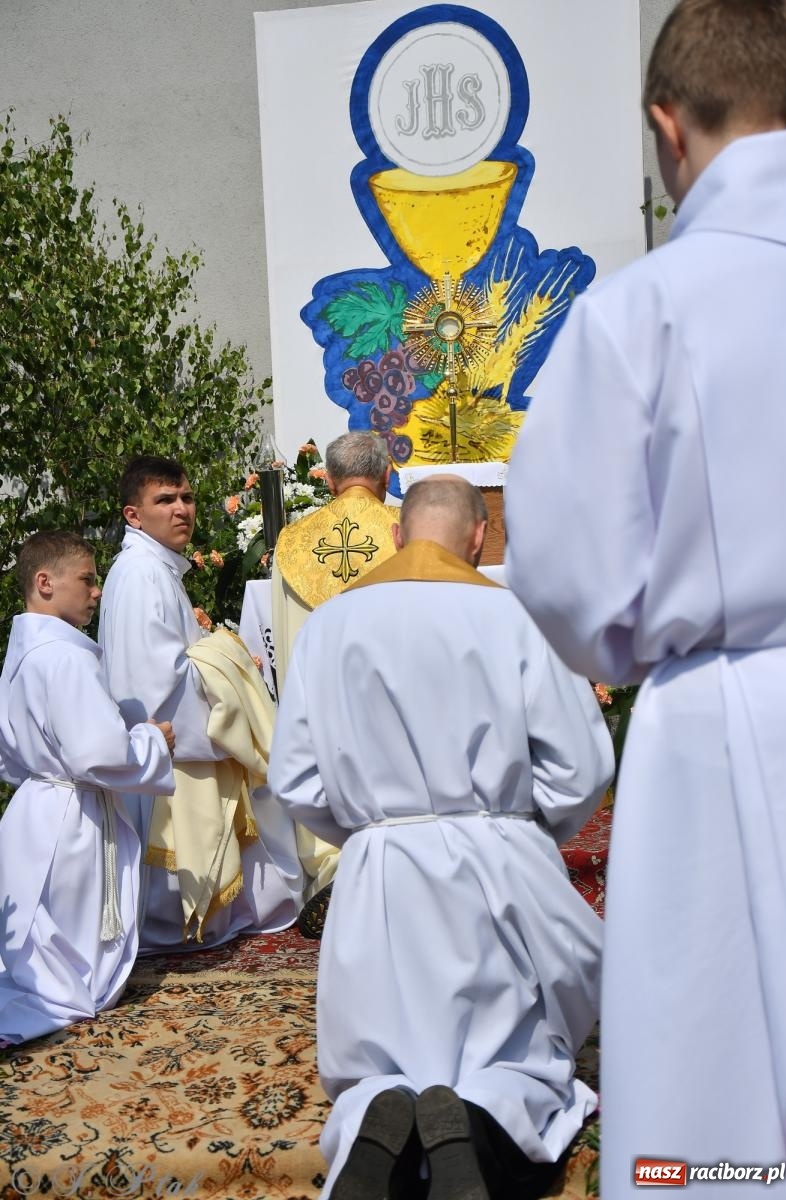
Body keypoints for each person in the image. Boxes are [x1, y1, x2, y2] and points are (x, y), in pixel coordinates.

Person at [504, 1, 786, 1193]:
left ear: (663, 129)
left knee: (716, 1119)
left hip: (717, 736)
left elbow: (572, 586)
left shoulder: (638, 312)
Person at [269, 475, 614, 1200]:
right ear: (481, 537)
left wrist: (371, 831)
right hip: (494, 862)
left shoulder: (333, 623)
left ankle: (374, 1120)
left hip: (380, 867)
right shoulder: (516, 617)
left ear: (397, 534)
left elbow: (296, 780)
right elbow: (581, 766)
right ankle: (482, 1119)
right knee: (512, 1046)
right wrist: (519, 828)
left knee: (381, 1046)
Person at [99, 455, 302, 952]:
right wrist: (226, 673)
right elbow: (155, 682)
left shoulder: (154, 569)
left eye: (186, 497)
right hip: (166, 750)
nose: (181, 509)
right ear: (133, 515)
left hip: (168, 746)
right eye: (164, 500)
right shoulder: (143, 574)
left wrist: (214, 656)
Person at [0, 532, 175, 1043]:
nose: (96, 592)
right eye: (87, 579)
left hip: (37, 802)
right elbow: (98, 755)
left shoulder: (26, 649)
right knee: (68, 961)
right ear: (44, 582)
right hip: (71, 814)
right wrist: (150, 740)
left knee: (41, 928)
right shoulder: (65, 656)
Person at [271, 432, 398, 936]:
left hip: (319, 696)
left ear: (327, 478)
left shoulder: (295, 540)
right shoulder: (405, 533)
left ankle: (330, 869)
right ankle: (385, 872)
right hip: (385, 697)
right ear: (386, 476)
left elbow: (284, 636)